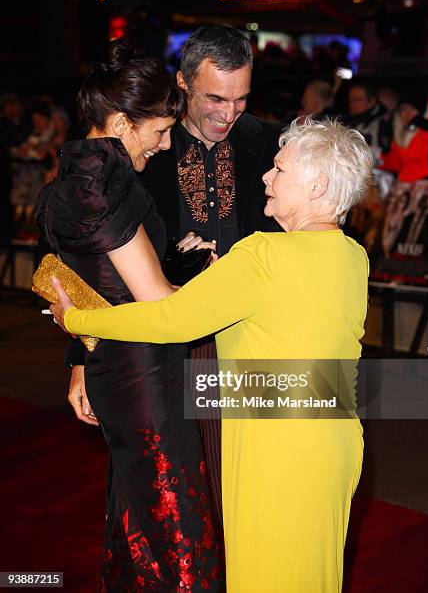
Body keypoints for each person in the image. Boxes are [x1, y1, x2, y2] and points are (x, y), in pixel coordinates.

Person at [51, 117, 372, 592]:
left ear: (318, 185)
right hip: (335, 442)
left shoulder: (263, 255)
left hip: (278, 450)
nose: (266, 177)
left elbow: (169, 320)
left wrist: (76, 320)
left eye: (280, 171)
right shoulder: (353, 257)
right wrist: (223, 282)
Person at [67, 24, 283, 525]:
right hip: (164, 346)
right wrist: (81, 357)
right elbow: (87, 260)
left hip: (252, 342)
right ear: (183, 82)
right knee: (171, 494)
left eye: (241, 99)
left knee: (250, 490)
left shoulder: (273, 143)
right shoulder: (143, 151)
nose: (228, 113)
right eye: (215, 98)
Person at [37, 40, 224, 592]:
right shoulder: (110, 185)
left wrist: (78, 364)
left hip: (115, 369)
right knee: (179, 526)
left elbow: (85, 280)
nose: (166, 145)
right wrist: (220, 279)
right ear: (121, 122)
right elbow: (159, 305)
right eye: (160, 131)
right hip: (146, 374)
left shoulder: (70, 180)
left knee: (139, 519)